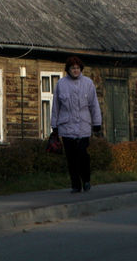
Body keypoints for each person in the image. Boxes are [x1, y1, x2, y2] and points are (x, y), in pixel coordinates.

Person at [50, 56, 102, 193]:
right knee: (71, 158)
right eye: (73, 68)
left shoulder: (88, 83)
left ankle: (86, 180)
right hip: (66, 126)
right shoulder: (61, 84)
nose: (75, 70)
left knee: (83, 155)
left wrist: (97, 123)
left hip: (83, 126)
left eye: (77, 68)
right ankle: (75, 185)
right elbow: (56, 106)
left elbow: (94, 105)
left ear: (81, 69)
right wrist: (54, 125)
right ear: (68, 69)